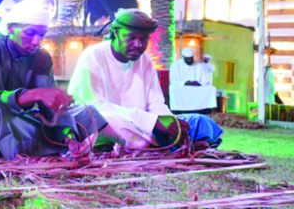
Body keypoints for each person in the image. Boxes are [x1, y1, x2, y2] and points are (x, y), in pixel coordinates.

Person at [0, 1, 111, 161]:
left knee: (84, 111)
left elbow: (50, 105)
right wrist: (34, 95)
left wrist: (68, 137)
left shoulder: (41, 56)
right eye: (29, 33)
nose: (36, 42)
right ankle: (21, 151)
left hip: (22, 120)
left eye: (41, 35)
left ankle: (63, 147)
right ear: (10, 28)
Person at [67, 8, 222, 149]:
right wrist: (152, 122)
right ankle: (166, 146)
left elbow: (156, 103)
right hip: (109, 125)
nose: (138, 44)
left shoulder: (145, 60)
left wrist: (169, 123)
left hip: (146, 126)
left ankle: (167, 143)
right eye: (131, 37)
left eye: (144, 39)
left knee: (199, 121)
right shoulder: (93, 55)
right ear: (115, 34)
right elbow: (93, 107)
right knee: (111, 123)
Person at [169, 47, 217, 113]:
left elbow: (206, 80)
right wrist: (184, 83)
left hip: (197, 88)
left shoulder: (200, 66)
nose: (189, 60)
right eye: (187, 59)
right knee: (173, 88)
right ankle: (178, 110)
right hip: (182, 88)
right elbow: (173, 81)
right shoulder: (175, 65)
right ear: (183, 57)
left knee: (212, 88)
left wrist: (199, 83)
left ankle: (206, 109)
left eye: (191, 59)